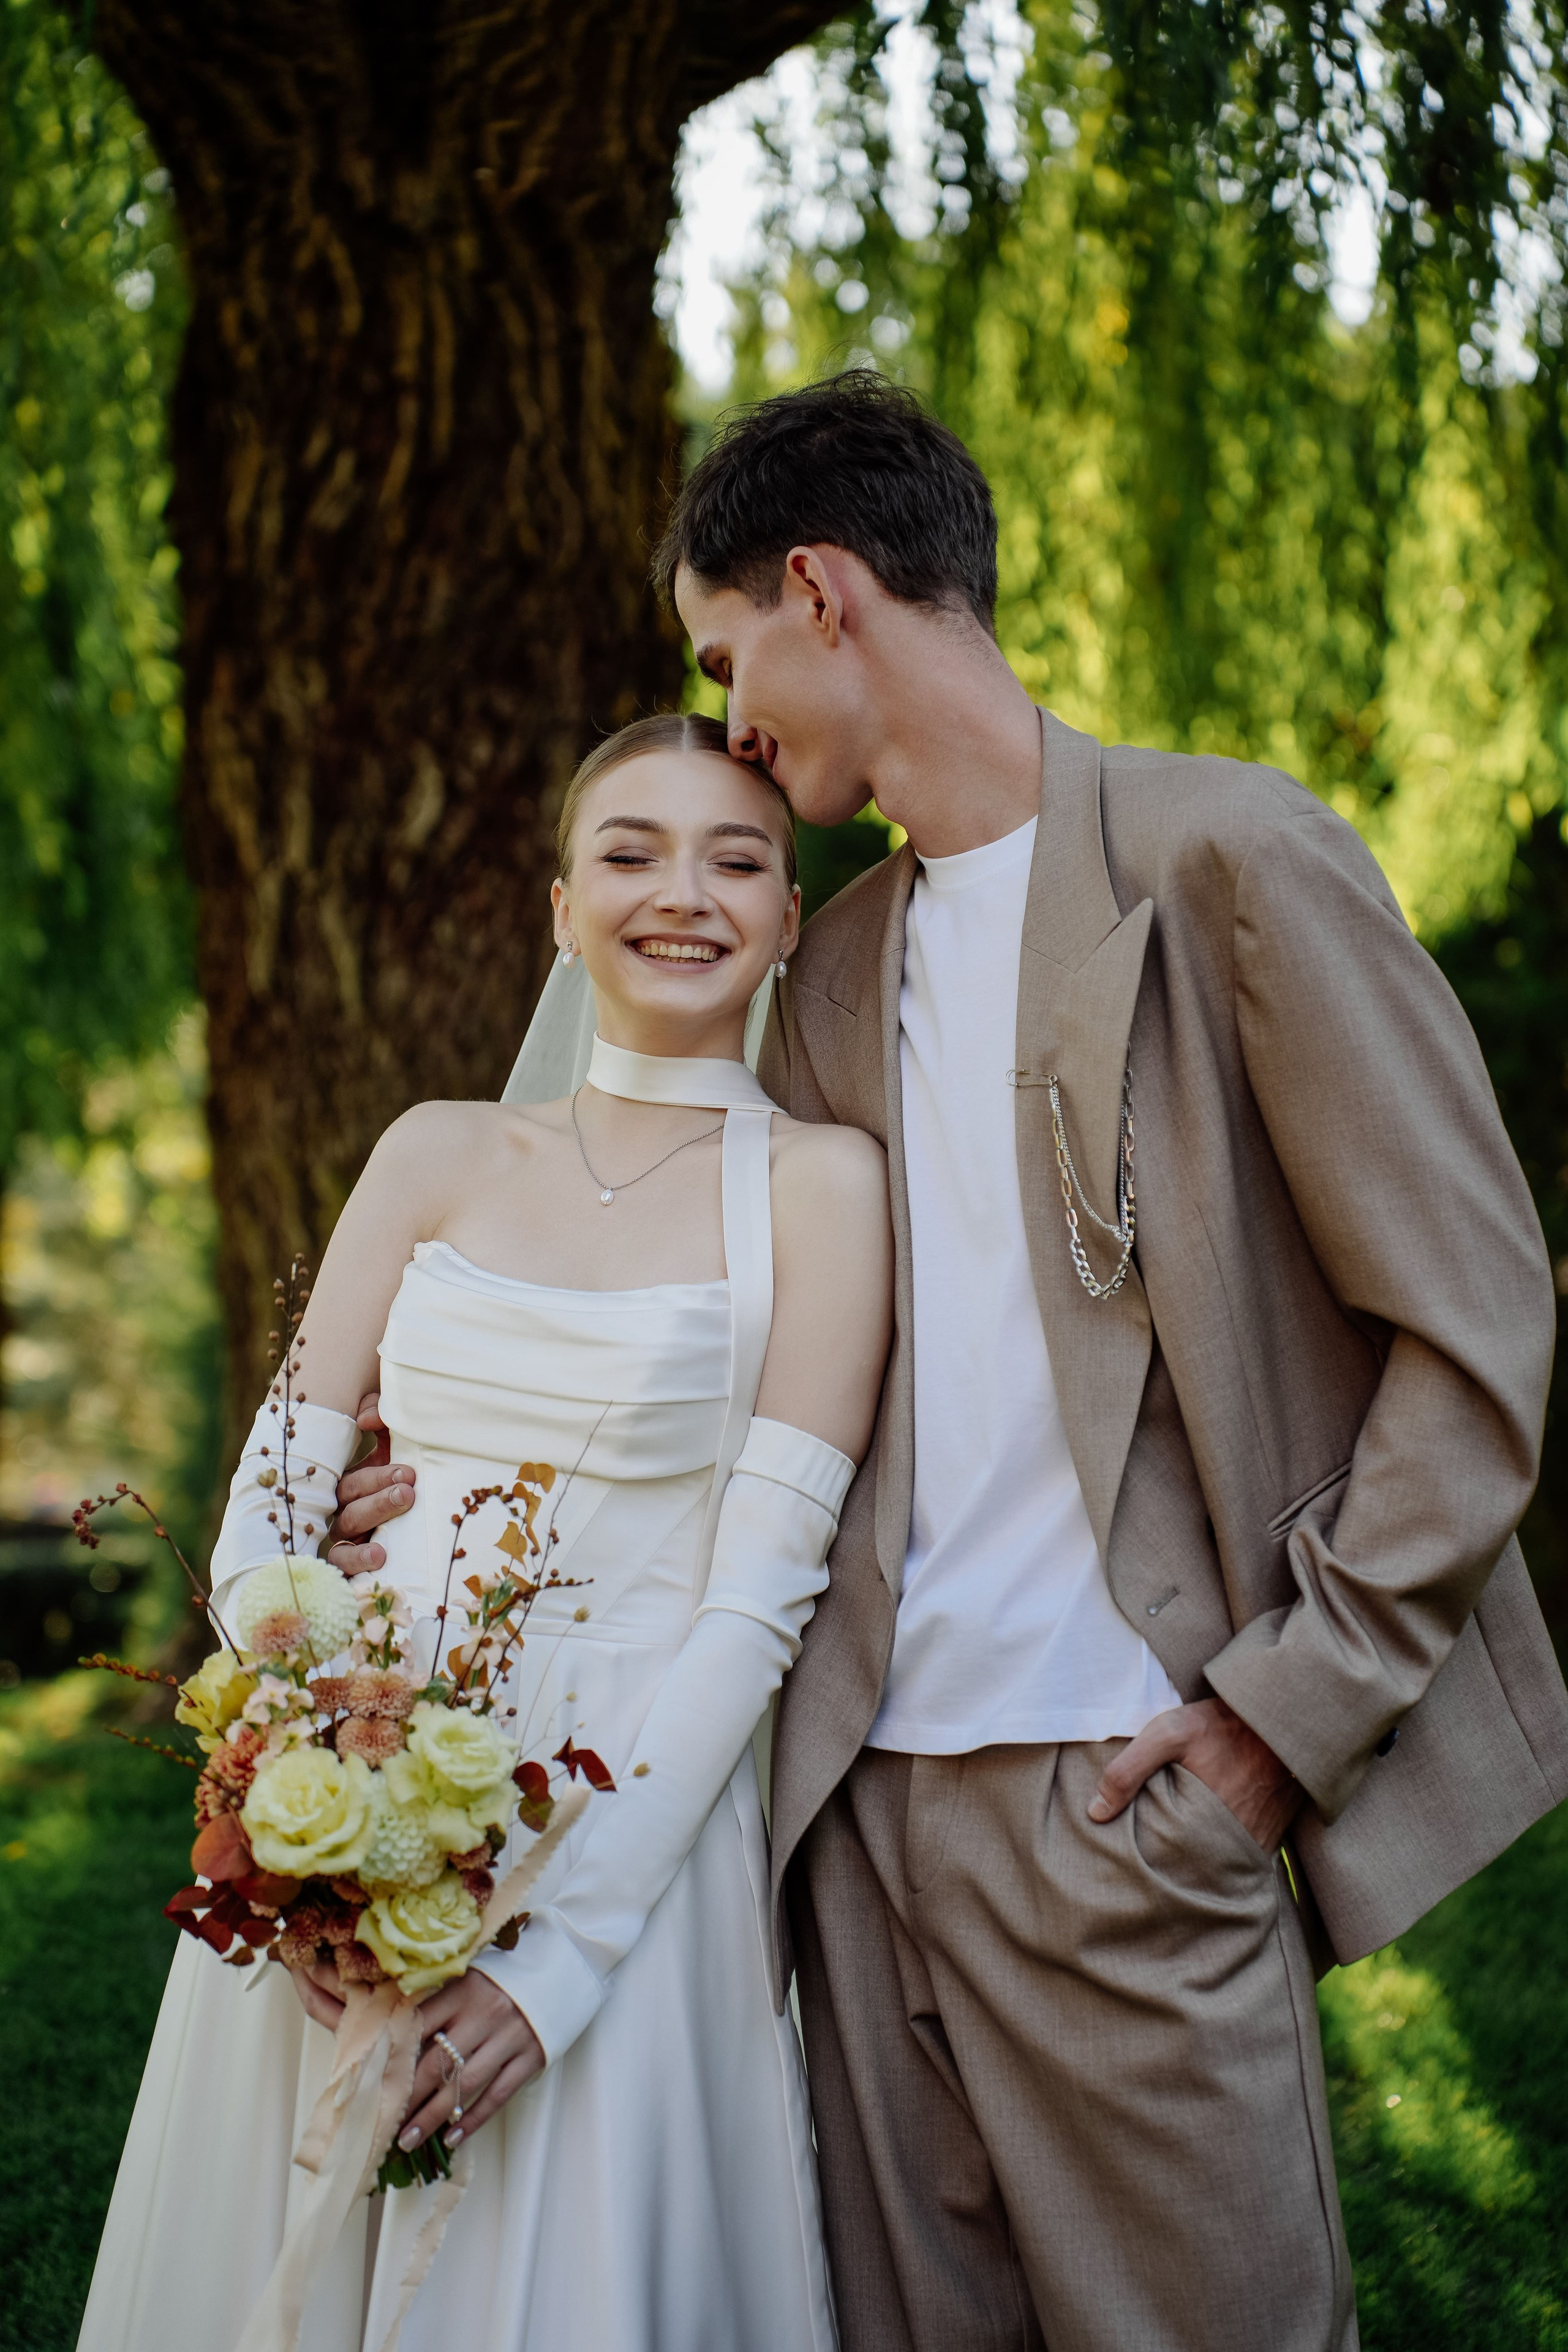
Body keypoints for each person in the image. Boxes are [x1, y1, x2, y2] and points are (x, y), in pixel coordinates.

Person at [344, 372, 1567, 2352]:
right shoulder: (828, 966)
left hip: (1125, 1798)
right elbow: (707, 1313)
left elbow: (1478, 1318)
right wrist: (442, 1460)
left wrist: (1284, 1713)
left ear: (821, 591)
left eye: (724, 656)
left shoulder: (1225, 860)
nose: (728, 717)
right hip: (846, 1825)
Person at [78, 712, 892, 2352]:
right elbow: (271, 1507)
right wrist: (300, 1798)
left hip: (628, 1817)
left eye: (739, 860)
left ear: (793, 918)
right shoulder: (438, 1149)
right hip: (369, 1759)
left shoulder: (822, 1186)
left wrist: (561, 1968)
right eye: (630, 852)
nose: (684, 893)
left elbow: (760, 1601)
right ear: (557, 908)